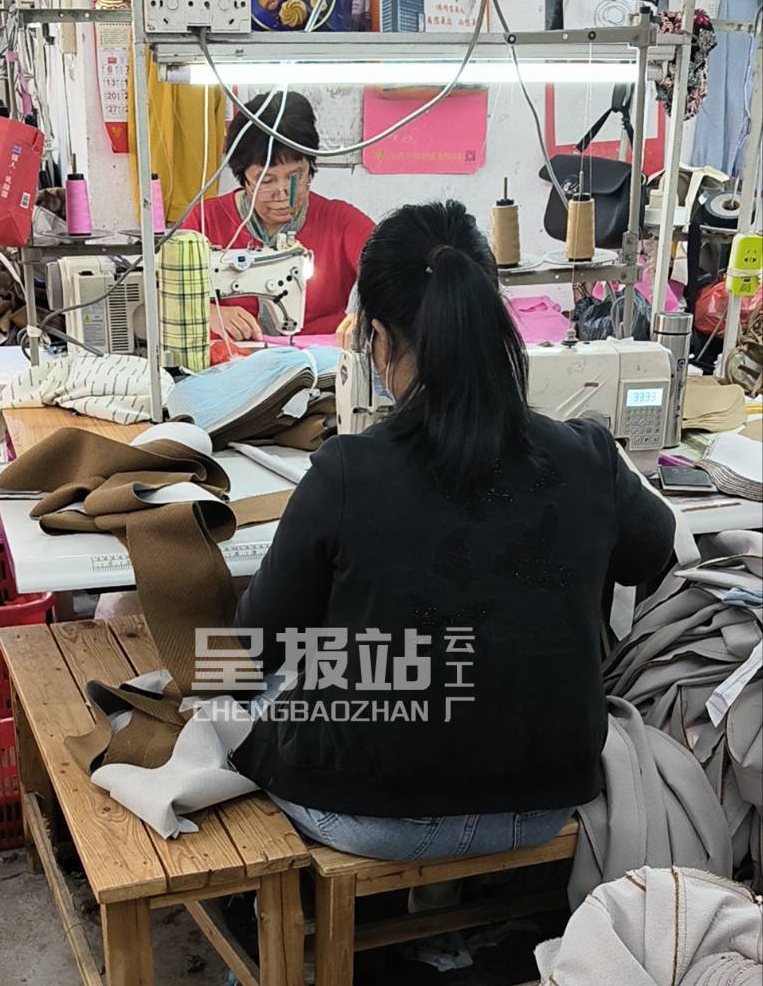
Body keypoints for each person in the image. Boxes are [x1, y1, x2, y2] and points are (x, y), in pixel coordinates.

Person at [231, 199, 676, 862]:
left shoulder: (347, 471)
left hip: (370, 812)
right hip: (541, 800)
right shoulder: (587, 455)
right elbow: (655, 553)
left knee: (260, 689)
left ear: (378, 340)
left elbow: (253, 647)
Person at [183, 92, 373, 342]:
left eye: (295, 177)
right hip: (230, 358)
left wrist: (372, 316)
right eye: (266, 181)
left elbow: (399, 275)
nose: (283, 194)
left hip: (321, 359)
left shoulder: (341, 222)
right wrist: (206, 313)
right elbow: (166, 295)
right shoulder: (205, 221)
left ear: (310, 165)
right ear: (243, 177)